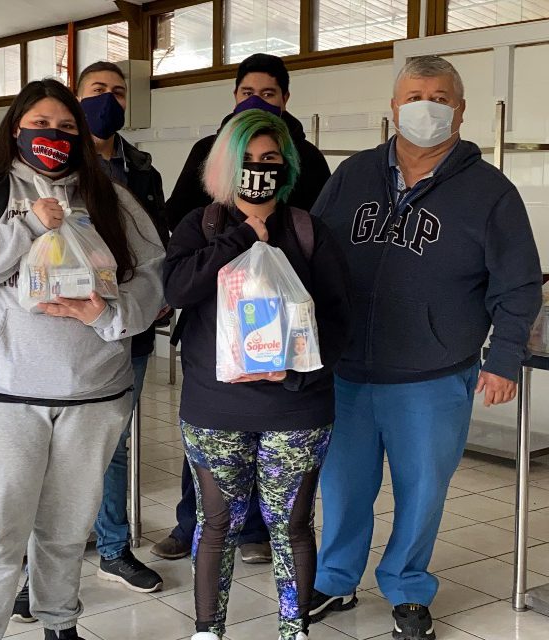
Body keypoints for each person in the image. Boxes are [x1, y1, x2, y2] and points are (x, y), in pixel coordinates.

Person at [308, 56, 542, 640]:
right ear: (394, 108)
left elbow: (517, 285)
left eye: (440, 97)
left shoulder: (491, 193)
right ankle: (335, 580)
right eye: (415, 96)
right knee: (342, 487)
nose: (426, 107)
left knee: (422, 491)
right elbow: (308, 256)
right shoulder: (352, 175)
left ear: (460, 111)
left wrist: (504, 358)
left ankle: (408, 587)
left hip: (433, 376)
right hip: (346, 372)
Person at [0, 78, 165, 640]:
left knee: (65, 532)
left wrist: (106, 316)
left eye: (65, 128)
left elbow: (153, 276)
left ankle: (60, 626)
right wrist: (29, 225)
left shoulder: (111, 196)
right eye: (39, 126)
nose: (51, 137)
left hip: (91, 395)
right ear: (15, 129)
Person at [164, 109, 351, 640]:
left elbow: (339, 320)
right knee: (216, 524)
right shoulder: (199, 227)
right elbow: (177, 290)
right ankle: (207, 630)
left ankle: (294, 629)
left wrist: (295, 374)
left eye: (271, 158)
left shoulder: (310, 231)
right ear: (224, 166)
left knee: (290, 525)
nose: (259, 168)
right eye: (246, 159)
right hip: (214, 407)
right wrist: (243, 236)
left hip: (297, 407)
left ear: (287, 165)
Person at [154, 53, 332, 566]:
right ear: (233, 96)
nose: (257, 99)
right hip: (215, 331)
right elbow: (181, 219)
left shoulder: (307, 156)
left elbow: (320, 226)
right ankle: (193, 523)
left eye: (269, 93)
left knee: (273, 446)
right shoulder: (205, 151)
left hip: (285, 329)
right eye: (247, 90)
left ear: (286, 100)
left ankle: (254, 532)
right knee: (212, 444)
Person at [8, 62, 170, 624]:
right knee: (41, 468)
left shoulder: (138, 171)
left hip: (119, 336)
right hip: (43, 350)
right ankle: (35, 576)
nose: (109, 100)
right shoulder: (16, 183)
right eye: (97, 91)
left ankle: (113, 547)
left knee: (113, 450)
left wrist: (130, 309)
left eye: (118, 92)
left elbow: (153, 249)